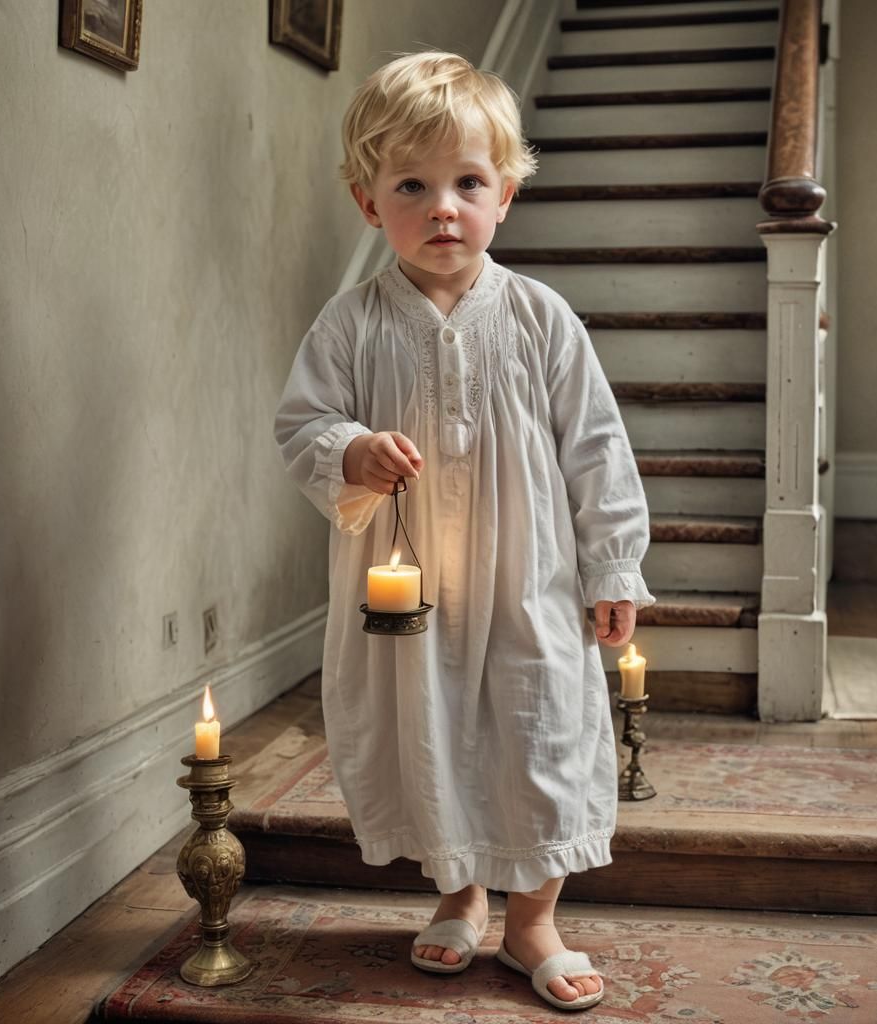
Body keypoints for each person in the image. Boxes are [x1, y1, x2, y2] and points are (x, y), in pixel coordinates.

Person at [274, 50, 655, 1012]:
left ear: (506, 195)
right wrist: (351, 451)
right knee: (429, 730)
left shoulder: (540, 318)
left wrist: (614, 564)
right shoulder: (352, 323)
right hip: (411, 590)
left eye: (468, 183)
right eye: (413, 185)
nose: (443, 207)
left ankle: (533, 918)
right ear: (370, 203)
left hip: (530, 577)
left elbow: (597, 448)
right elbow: (303, 424)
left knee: (538, 734)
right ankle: (457, 890)